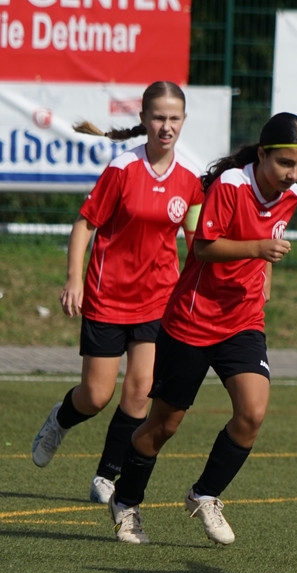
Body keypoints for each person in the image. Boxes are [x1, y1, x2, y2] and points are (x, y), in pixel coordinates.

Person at [107, 112, 297, 544]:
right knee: (163, 427)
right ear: (262, 155)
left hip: (243, 320)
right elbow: (203, 247)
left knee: (252, 413)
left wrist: (264, 276)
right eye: (284, 163)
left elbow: (267, 242)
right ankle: (125, 501)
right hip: (192, 321)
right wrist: (259, 249)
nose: (292, 174)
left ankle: (205, 494)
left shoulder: (290, 195)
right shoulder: (231, 185)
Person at [30, 81, 204, 504]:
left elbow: (199, 243)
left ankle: (107, 475)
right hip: (107, 296)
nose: (166, 126)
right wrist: (74, 278)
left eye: (174, 118)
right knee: (95, 396)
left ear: (184, 121)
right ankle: (60, 420)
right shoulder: (122, 169)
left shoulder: (189, 179)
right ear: (144, 119)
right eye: (158, 117)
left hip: (158, 300)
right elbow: (84, 224)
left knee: (141, 391)